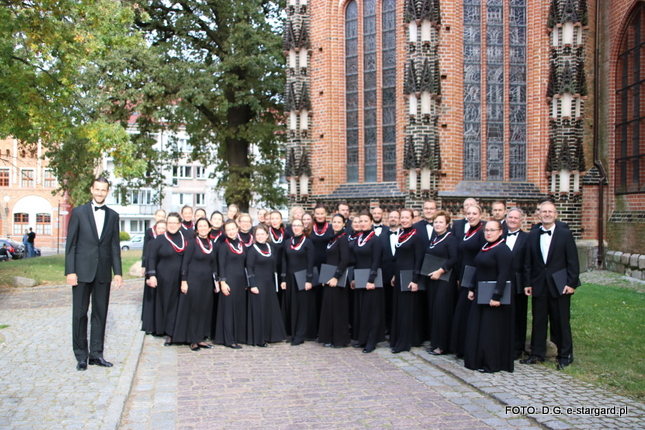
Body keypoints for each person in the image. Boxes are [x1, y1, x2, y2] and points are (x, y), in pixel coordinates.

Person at [65, 177, 123, 371]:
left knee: (100, 314)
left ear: (107, 192)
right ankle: (81, 355)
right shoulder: (79, 212)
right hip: (81, 272)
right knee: (80, 314)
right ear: (92, 190)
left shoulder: (113, 216)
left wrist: (118, 273)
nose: (100, 193)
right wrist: (70, 271)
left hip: (103, 273)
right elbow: (71, 244)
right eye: (97, 189)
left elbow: (115, 247)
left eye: (103, 190)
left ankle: (96, 355)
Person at [522, 201, 579, 370]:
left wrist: (571, 283)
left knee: (561, 320)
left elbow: (573, 260)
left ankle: (564, 355)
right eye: (544, 211)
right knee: (538, 320)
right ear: (539, 214)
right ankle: (537, 353)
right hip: (539, 283)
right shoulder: (532, 234)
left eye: (550, 212)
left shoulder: (564, 234)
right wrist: (527, 283)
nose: (546, 214)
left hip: (560, 283)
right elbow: (528, 262)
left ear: (556, 215)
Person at [464, 219, 514, 373]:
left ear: (500, 232)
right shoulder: (485, 246)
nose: (489, 233)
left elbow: (503, 274)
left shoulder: (503, 250)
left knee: (490, 331)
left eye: (493, 230)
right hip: (481, 294)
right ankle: (477, 360)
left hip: (493, 298)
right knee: (477, 328)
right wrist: (472, 287)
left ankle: (491, 363)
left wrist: (496, 296)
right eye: (487, 230)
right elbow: (478, 268)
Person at [173, 218, 218, 351]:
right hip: (193, 281)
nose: (203, 228)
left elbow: (214, 264)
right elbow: (185, 263)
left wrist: (216, 282)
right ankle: (192, 339)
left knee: (204, 310)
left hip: (207, 282)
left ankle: (200, 338)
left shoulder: (212, 244)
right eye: (200, 226)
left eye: (205, 226)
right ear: (197, 229)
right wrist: (184, 281)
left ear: (210, 228)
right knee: (194, 310)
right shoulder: (192, 243)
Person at [451, 204, 486, 358]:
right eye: (468, 213)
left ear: (480, 214)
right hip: (464, 275)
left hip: (474, 276)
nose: (471, 216)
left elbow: (481, 258)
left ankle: (469, 349)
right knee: (462, 312)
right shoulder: (468, 231)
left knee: (469, 313)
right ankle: (461, 347)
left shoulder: (482, 232)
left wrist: (476, 281)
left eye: (474, 213)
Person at [146, 213, 186, 346]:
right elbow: (151, 258)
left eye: (175, 223)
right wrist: (152, 275)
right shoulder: (160, 239)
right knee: (168, 304)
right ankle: (169, 332)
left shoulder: (185, 238)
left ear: (180, 224)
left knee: (180, 304)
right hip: (165, 277)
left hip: (182, 277)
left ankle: (179, 330)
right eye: (170, 223)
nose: (172, 225)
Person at [390, 209, 425, 353]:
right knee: (399, 308)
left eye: (406, 218)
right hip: (399, 276)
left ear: (412, 219)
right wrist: (394, 275)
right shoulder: (401, 234)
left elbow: (419, 259)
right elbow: (398, 257)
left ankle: (404, 343)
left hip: (409, 277)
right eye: (402, 218)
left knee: (406, 309)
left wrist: (415, 280)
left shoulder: (417, 236)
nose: (404, 220)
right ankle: (398, 338)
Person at [246, 224, 287, 346]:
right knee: (260, 310)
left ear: (267, 235)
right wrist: (252, 285)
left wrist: (276, 283)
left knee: (270, 309)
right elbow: (249, 268)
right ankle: (259, 339)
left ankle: (271, 335)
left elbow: (274, 266)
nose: (260, 236)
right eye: (257, 234)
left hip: (269, 283)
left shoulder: (271, 247)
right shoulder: (252, 249)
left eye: (262, 234)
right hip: (258, 284)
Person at [424, 211, 459, 355]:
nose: (437, 224)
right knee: (434, 311)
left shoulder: (450, 239)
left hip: (445, 280)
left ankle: (443, 346)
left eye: (440, 222)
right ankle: (435, 342)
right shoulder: (435, 238)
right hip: (433, 280)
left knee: (442, 311)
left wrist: (441, 270)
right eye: (435, 222)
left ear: (447, 224)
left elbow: (454, 258)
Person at [351, 211, 384, 353]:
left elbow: (376, 261)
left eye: (365, 221)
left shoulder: (375, 240)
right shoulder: (359, 238)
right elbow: (356, 261)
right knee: (361, 310)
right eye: (360, 221)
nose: (363, 223)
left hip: (371, 280)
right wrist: (354, 278)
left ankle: (372, 341)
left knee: (372, 312)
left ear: (371, 222)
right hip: (359, 278)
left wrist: (371, 280)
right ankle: (362, 339)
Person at [280, 219, 316, 346]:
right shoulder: (287, 242)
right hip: (289, 278)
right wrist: (283, 279)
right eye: (294, 225)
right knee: (292, 307)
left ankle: (300, 335)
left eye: (298, 225)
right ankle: (293, 333)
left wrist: (309, 279)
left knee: (301, 307)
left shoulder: (308, 243)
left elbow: (310, 262)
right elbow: (284, 261)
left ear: (303, 227)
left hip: (302, 278)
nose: (296, 228)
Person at [318, 214, 350, 348]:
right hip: (329, 279)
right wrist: (325, 277)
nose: (336, 224)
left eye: (339, 222)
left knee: (337, 310)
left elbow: (344, 260)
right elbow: (329, 261)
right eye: (334, 222)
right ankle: (329, 337)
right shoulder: (332, 239)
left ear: (344, 224)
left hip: (337, 280)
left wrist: (336, 277)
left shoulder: (343, 239)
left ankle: (339, 340)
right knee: (329, 309)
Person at [214, 220, 247, 348]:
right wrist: (223, 282)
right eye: (228, 230)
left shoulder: (241, 244)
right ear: (225, 232)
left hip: (240, 281)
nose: (231, 231)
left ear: (237, 229)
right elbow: (221, 265)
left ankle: (238, 336)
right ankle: (229, 339)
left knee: (238, 309)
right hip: (228, 281)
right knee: (228, 311)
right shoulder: (224, 246)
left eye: (233, 229)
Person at [505, 208, 530, 359]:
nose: (513, 220)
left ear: (521, 221)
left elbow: (528, 262)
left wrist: (527, 283)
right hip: (502, 280)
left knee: (519, 315)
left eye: (516, 218)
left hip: (519, 281)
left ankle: (517, 347)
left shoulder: (527, 238)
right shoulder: (500, 235)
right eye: (510, 217)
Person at [141, 215, 167, 335]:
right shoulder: (152, 242)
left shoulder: (168, 242)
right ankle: (151, 325)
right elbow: (148, 258)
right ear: (156, 229)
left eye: (163, 228)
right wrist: (148, 274)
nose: (161, 230)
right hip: (153, 274)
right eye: (159, 227)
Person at [380, 210, 400, 335]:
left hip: (400, 275)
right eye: (391, 217)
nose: (393, 219)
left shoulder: (405, 235)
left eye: (395, 217)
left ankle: (396, 327)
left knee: (398, 304)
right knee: (386, 304)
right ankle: (387, 327)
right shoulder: (381, 236)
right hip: (385, 275)